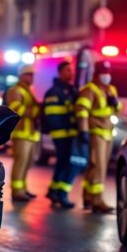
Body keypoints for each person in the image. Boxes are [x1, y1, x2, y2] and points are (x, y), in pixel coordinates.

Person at [75, 61, 122, 213]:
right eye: (104, 72)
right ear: (97, 74)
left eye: (108, 72)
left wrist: (115, 103)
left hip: (107, 133)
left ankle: (88, 197)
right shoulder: (90, 89)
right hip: (96, 132)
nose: (106, 76)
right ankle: (97, 200)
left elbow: (118, 109)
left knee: (96, 166)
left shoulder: (111, 89)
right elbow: (81, 110)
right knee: (98, 166)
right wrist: (84, 130)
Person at [42, 61, 80, 209]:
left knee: (62, 162)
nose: (70, 73)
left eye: (72, 70)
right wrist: (62, 130)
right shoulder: (55, 91)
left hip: (70, 133)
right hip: (61, 134)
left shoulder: (70, 90)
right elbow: (52, 115)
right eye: (67, 71)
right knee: (67, 163)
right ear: (60, 72)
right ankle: (61, 194)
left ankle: (53, 191)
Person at [6, 64, 41, 202]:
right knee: (21, 162)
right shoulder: (15, 90)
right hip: (21, 133)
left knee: (28, 162)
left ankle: (23, 188)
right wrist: (36, 111)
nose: (31, 77)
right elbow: (16, 109)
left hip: (31, 133)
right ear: (21, 76)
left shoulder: (28, 91)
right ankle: (17, 191)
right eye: (29, 74)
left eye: (32, 75)